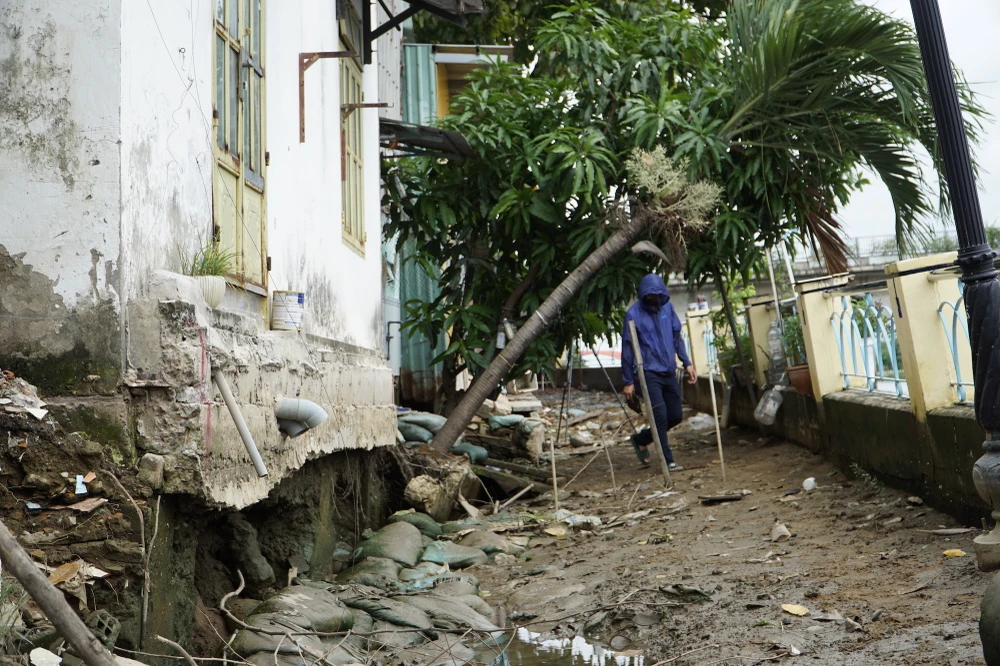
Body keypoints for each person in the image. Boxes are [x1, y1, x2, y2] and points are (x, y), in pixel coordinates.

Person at [622, 273, 697, 471]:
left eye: (657, 295)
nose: (653, 299)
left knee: (675, 416)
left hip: (668, 371)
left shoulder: (668, 309)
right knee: (660, 415)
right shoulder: (633, 315)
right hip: (648, 373)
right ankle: (668, 460)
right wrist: (628, 380)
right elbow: (628, 349)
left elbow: (676, 338)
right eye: (650, 295)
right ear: (644, 295)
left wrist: (687, 362)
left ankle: (641, 439)